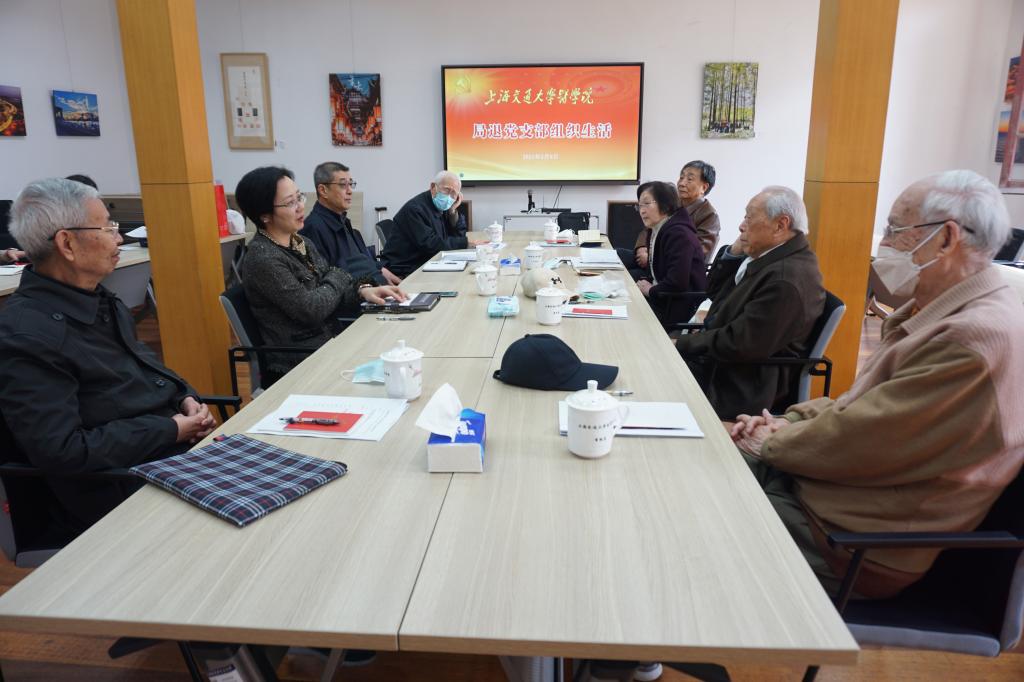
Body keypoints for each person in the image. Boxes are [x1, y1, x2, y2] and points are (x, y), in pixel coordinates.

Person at [731, 169, 1024, 599]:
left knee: (691, 517)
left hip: (849, 540)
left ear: (946, 239)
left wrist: (773, 441)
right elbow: (859, 404)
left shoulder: (974, 338)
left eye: (894, 230)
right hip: (827, 497)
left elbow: (861, 439)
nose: (883, 244)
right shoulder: (938, 311)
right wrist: (787, 420)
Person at [0, 178, 216, 541]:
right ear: (67, 244)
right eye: (107, 228)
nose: (118, 239)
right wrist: (171, 429)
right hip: (113, 489)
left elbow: (141, 361)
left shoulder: (97, 298)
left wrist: (184, 396)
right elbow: (64, 450)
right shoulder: (27, 335)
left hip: (164, 456)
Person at [234, 166, 405, 386]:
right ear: (264, 215)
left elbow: (330, 292)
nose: (300, 206)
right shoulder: (263, 259)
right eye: (290, 202)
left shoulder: (301, 242)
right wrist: (339, 274)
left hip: (330, 345)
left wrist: (363, 291)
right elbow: (311, 309)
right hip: (300, 364)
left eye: (299, 197)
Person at [675, 186, 825, 419]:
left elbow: (739, 343)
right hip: (720, 361)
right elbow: (713, 293)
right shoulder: (768, 257)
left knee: (652, 372)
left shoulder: (785, 279)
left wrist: (681, 343)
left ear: (780, 225)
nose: (741, 225)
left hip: (738, 382)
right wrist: (733, 254)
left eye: (749, 217)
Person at [299, 161, 402, 286]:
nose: (350, 191)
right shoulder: (313, 228)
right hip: (363, 294)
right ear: (323, 190)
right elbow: (327, 283)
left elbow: (362, 261)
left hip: (378, 286)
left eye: (351, 184)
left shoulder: (342, 222)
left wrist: (380, 269)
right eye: (343, 185)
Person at [380, 170, 487, 277]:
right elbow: (431, 244)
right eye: (446, 190)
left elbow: (458, 236)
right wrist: (466, 243)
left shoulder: (443, 207)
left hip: (428, 261)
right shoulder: (415, 209)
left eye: (454, 194)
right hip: (406, 268)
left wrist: (452, 212)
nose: (449, 197)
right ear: (433, 187)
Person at [633, 181, 707, 325]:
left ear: (665, 205)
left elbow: (677, 282)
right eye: (640, 205)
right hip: (663, 298)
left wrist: (650, 290)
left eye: (646, 204)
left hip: (676, 307)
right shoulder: (657, 228)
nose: (642, 211)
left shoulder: (679, 234)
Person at [633, 161, 721, 273]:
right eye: (681, 177)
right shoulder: (673, 204)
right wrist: (641, 247)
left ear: (704, 187)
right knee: (618, 254)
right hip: (652, 260)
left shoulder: (710, 216)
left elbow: (696, 251)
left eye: (689, 179)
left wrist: (652, 257)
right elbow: (649, 228)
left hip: (674, 270)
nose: (682, 183)